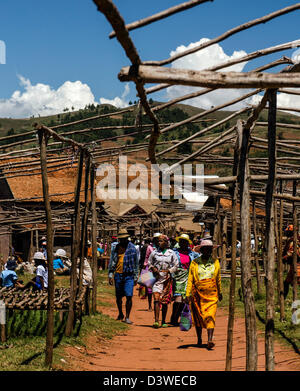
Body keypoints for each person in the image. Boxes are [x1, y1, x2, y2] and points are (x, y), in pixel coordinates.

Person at [186, 239, 222, 350]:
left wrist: (220, 292)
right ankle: (199, 339)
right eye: (205, 249)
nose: (208, 251)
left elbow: (218, 278)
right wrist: (188, 294)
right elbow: (190, 279)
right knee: (199, 317)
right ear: (201, 250)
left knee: (210, 316)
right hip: (197, 294)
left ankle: (210, 339)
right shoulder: (195, 262)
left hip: (212, 294)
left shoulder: (215, 262)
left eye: (209, 249)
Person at [108, 228, 139, 324]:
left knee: (129, 296)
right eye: (121, 239)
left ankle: (127, 317)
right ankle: (120, 313)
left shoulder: (132, 248)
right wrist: (110, 274)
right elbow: (112, 261)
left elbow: (136, 263)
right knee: (118, 297)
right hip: (118, 274)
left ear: (127, 238)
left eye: (124, 239)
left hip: (129, 275)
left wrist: (135, 276)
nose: (122, 240)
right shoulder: (116, 248)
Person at [148, 234, 179, 328]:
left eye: (161, 241)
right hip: (156, 279)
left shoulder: (171, 253)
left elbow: (176, 265)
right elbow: (150, 262)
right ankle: (156, 321)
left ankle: (164, 321)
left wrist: (169, 271)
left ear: (166, 243)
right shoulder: (154, 253)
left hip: (167, 280)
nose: (159, 243)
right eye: (158, 241)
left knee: (165, 301)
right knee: (156, 299)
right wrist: (152, 268)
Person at [170, 233, 199, 326]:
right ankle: (174, 317)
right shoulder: (174, 252)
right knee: (178, 299)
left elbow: (198, 260)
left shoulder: (192, 253)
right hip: (177, 277)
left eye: (185, 242)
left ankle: (183, 319)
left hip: (188, 276)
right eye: (182, 242)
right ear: (179, 242)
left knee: (186, 298)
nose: (183, 244)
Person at [282, 225, 300, 299]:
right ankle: (282, 299)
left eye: (288, 231)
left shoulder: (297, 240)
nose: (286, 233)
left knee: (296, 281)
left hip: (298, 264)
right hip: (293, 265)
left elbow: (294, 251)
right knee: (286, 283)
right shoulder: (291, 240)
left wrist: (286, 256)